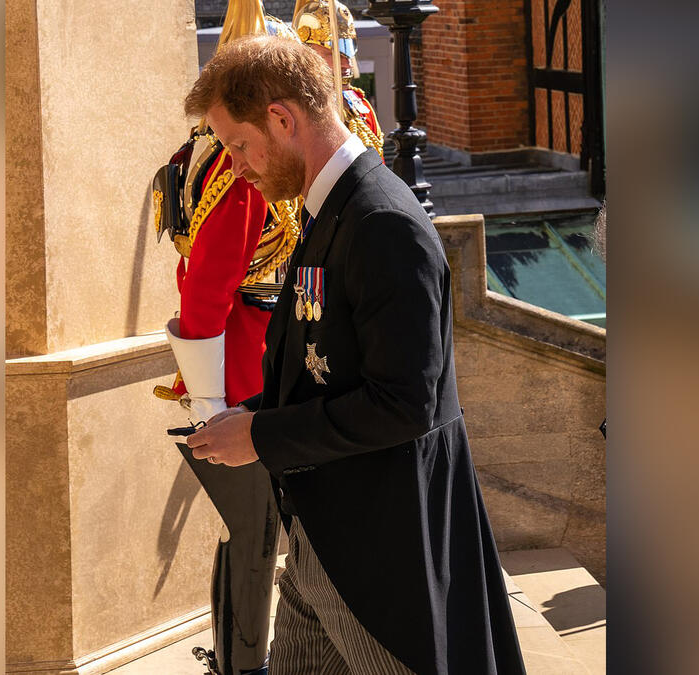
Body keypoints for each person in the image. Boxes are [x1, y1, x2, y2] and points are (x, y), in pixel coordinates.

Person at [183, 35, 527, 675]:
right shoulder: (333, 208)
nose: (235, 168)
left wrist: (259, 434)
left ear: (282, 119)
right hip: (325, 535)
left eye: (238, 145)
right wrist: (251, 417)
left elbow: (403, 404)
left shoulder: (380, 221)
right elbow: (327, 367)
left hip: (380, 559)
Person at [149, 3, 301, 674]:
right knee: (257, 534)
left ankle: (237, 659)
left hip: (245, 361)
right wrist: (212, 403)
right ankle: (245, 664)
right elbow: (206, 290)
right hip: (244, 372)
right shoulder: (239, 174)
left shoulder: (212, 154)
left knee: (251, 533)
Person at [292, 0, 384, 157]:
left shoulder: (360, 105)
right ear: (306, 55)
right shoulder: (293, 113)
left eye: (347, 52)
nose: (347, 63)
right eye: (333, 53)